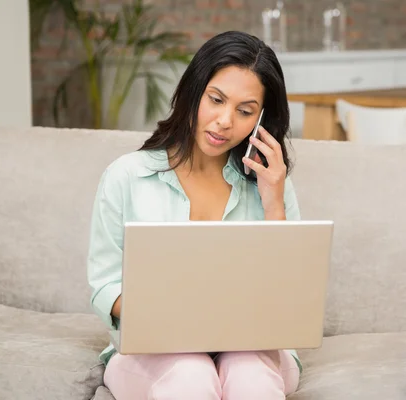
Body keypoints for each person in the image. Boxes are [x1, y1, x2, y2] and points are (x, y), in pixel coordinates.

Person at [87, 30, 302, 400]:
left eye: (245, 111)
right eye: (216, 100)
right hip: (153, 348)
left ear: (261, 119)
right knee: (190, 373)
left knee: (248, 372)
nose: (224, 121)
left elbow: (292, 296)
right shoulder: (127, 176)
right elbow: (105, 285)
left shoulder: (270, 183)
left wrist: (274, 204)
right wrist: (171, 314)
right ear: (193, 91)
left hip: (254, 347)